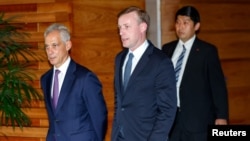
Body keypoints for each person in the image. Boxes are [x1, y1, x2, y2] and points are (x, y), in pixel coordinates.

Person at [162, 6, 229, 141]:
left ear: (196, 26)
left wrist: (221, 116)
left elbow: (218, 86)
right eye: (178, 22)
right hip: (171, 121)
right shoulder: (167, 49)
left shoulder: (207, 51)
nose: (180, 27)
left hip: (198, 121)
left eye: (186, 22)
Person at [111, 6, 177, 141]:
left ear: (142, 27)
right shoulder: (120, 58)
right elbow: (120, 102)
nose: (121, 32)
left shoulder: (160, 62)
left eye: (126, 27)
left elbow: (167, 110)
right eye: (119, 28)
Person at [40, 23, 107, 141]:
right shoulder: (46, 79)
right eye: (47, 46)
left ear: (68, 45)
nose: (50, 51)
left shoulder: (85, 77)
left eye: (54, 45)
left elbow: (99, 116)